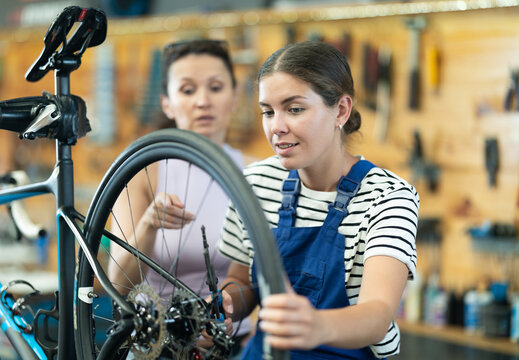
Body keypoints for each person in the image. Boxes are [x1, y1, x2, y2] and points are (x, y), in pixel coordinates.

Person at [218, 41, 420, 359]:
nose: (276, 128)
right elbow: (240, 280)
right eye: (268, 111)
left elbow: (378, 313)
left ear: (340, 110)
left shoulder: (388, 197)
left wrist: (316, 326)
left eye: (295, 109)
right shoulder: (255, 182)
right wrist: (227, 305)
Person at [107, 39, 251, 358]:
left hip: (230, 344)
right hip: (154, 344)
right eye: (187, 90)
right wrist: (148, 224)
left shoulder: (253, 174)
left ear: (235, 96)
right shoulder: (143, 171)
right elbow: (119, 284)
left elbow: (245, 279)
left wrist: (224, 311)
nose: (203, 101)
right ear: (167, 103)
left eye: (215, 87)